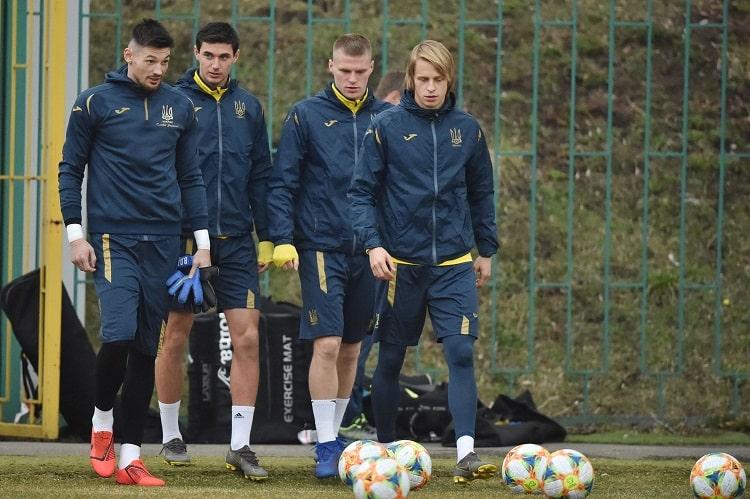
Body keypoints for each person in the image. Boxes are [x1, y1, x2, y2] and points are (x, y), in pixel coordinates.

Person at [58, 19, 210, 487]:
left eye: (165, 62)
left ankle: (130, 457)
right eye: (150, 60)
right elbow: (70, 169)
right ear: (129, 55)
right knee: (120, 334)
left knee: (147, 346)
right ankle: (102, 421)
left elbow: (191, 177)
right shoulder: (94, 102)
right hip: (112, 238)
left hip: (164, 241)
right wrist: (76, 236)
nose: (158, 70)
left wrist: (202, 244)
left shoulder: (180, 106)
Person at [348, 40, 499, 484]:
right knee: (391, 358)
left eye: (439, 80)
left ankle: (466, 452)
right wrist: (374, 245)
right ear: (411, 80)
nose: (431, 88)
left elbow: (481, 192)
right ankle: (386, 449)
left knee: (461, 352)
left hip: (454, 263)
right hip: (400, 265)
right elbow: (361, 193)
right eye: (423, 79)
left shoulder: (467, 130)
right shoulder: (386, 126)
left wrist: (486, 249)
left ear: (450, 80)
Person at [267, 33, 390, 478]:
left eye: (360, 71)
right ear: (330, 67)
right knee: (327, 343)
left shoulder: (388, 118)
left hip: (370, 249)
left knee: (352, 349)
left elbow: (400, 187)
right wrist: (281, 238)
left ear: (371, 69)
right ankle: (324, 444)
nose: (352, 78)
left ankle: (335, 440)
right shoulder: (306, 115)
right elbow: (283, 182)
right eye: (345, 70)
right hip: (320, 245)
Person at [153, 22, 273, 481]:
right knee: (175, 335)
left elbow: (261, 174)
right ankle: (170, 434)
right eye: (209, 55)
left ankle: (240, 446)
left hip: (238, 241)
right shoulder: (174, 103)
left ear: (236, 57)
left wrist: (268, 236)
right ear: (196, 53)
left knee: (247, 338)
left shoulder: (249, 107)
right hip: (186, 241)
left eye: (224, 56)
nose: (216, 64)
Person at [339, 70, 405, 439]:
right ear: (394, 97)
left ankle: (353, 414)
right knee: (357, 336)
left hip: (386, 245)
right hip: (362, 247)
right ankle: (346, 417)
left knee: (371, 336)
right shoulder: (379, 128)